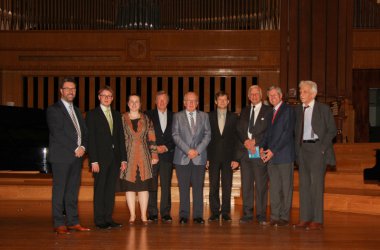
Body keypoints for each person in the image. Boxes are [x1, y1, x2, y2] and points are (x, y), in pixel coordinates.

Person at [46, 77, 90, 234]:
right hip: (61, 157)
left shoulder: (77, 110)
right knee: (60, 191)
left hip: (77, 158)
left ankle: (73, 221)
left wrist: (83, 146)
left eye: (73, 89)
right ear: (61, 91)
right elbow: (58, 133)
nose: (71, 91)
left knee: (72, 191)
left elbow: (84, 132)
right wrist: (76, 147)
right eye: (67, 88)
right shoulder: (53, 110)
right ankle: (59, 223)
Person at [293, 80, 337, 230]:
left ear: (313, 93)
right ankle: (304, 218)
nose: (301, 94)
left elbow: (332, 130)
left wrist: (323, 148)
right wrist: (297, 150)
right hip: (302, 150)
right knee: (304, 185)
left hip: (318, 149)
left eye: (304, 92)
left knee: (316, 185)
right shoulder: (298, 110)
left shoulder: (323, 109)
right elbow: (295, 132)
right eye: (300, 92)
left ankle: (317, 219)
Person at [85, 86, 127, 229]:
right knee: (100, 189)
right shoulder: (92, 114)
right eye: (104, 95)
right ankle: (99, 220)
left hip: (114, 159)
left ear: (112, 98)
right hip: (100, 160)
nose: (107, 98)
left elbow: (121, 138)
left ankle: (109, 218)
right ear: (99, 97)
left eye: (109, 96)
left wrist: (123, 159)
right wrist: (94, 160)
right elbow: (91, 139)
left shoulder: (116, 115)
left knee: (110, 190)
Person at [117, 94, 159, 225]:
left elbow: (152, 137)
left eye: (137, 102)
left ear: (140, 104)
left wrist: (154, 154)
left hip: (144, 157)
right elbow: (118, 140)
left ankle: (143, 215)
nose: (134, 104)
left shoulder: (146, 119)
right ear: (128, 104)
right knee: (129, 187)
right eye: (132, 101)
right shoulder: (121, 119)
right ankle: (132, 215)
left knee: (143, 187)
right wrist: (119, 157)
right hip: (127, 157)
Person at [172, 92, 211, 224]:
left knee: (198, 187)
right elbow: (175, 135)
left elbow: (208, 135)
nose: (191, 103)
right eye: (188, 100)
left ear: (197, 103)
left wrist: (197, 151)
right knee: (183, 187)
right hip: (182, 157)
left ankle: (198, 215)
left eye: (194, 101)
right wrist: (188, 150)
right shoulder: (177, 116)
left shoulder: (204, 116)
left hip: (199, 158)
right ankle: (183, 215)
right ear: (184, 102)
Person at [235, 85, 272, 225]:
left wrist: (255, 142)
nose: (254, 96)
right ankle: (247, 213)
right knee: (247, 185)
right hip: (246, 153)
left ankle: (262, 215)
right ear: (249, 96)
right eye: (252, 94)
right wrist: (246, 141)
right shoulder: (244, 111)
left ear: (261, 95)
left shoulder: (268, 111)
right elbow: (239, 129)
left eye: (257, 94)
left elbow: (269, 131)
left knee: (261, 185)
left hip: (259, 151)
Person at [260, 86, 295, 227]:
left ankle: (284, 217)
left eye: (275, 95)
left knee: (285, 188)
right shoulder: (270, 113)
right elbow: (267, 134)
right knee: (274, 188)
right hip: (271, 156)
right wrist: (262, 147)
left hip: (284, 155)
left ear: (281, 96)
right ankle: (274, 217)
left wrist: (272, 150)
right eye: (270, 96)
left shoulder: (288, 110)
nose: (273, 98)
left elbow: (287, 134)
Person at [207, 91, 239, 222]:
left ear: (228, 102)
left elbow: (237, 139)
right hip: (213, 157)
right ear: (215, 102)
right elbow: (206, 138)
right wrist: (206, 158)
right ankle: (214, 212)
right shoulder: (208, 117)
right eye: (220, 100)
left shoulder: (234, 117)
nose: (222, 102)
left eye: (225, 100)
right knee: (213, 185)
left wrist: (236, 158)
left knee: (227, 186)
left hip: (228, 157)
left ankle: (225, 212)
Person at [146, 91, 175, 223]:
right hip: (152, 155)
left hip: (167, 155)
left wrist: (166, 147)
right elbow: (144, 134)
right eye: (159, 100)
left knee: (166, 185)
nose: (162, 102)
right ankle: (152, 212)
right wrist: (154, 148)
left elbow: (176, 135)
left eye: (164, 100)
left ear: (167, 102)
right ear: (155, 102)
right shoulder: (148, 115)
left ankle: (165, 212)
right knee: (152, 185)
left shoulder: (174, 116)